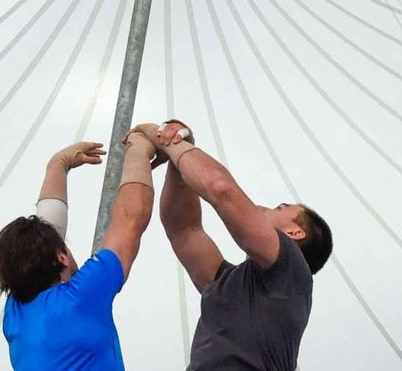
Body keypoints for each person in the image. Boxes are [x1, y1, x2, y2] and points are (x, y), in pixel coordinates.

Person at [131, 120, 333, 370]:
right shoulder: (227, 282)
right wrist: (177, 160)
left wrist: (165, 138)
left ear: (295, 232)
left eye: (278, 208)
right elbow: (183, 228)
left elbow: (221, 188)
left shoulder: (292, 273)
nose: (261, 207)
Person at [0, 131, 160, 369]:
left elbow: (46, 239)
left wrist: (58, 166)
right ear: (60, 256)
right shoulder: (81, 297)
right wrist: (140, 147)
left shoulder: (15, 313)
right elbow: (131, 217)